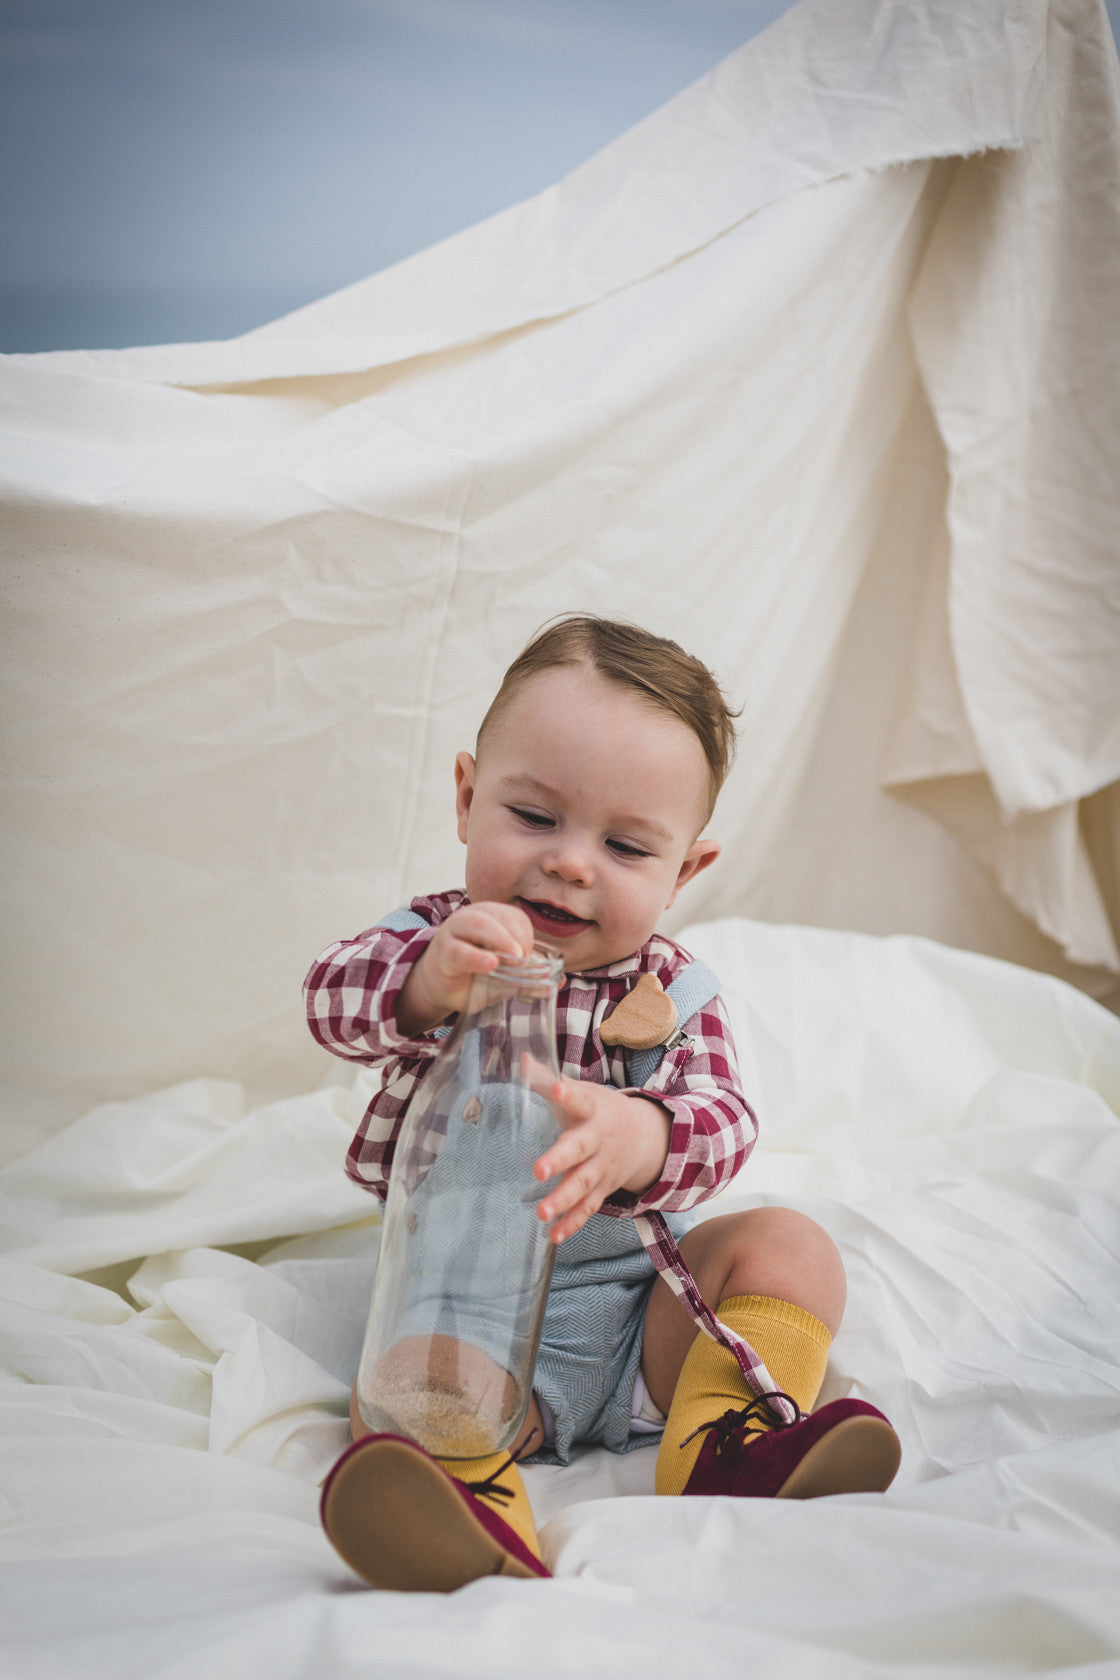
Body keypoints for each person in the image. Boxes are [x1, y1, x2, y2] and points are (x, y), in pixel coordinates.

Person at [306, 615, 900, 1592]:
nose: (571, 863)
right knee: (418, 1371)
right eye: (534, 819)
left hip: (637, 1323)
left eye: (625, 845)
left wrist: (645, 1132)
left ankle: (721, 1444)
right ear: (466, 798)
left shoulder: (676, 991)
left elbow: (724, 1121)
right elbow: (332, 1002)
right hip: (467, 1307)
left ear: (685, 872)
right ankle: (463, 1499)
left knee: (791, 1245)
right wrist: (426, 984)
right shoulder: (439, 942)